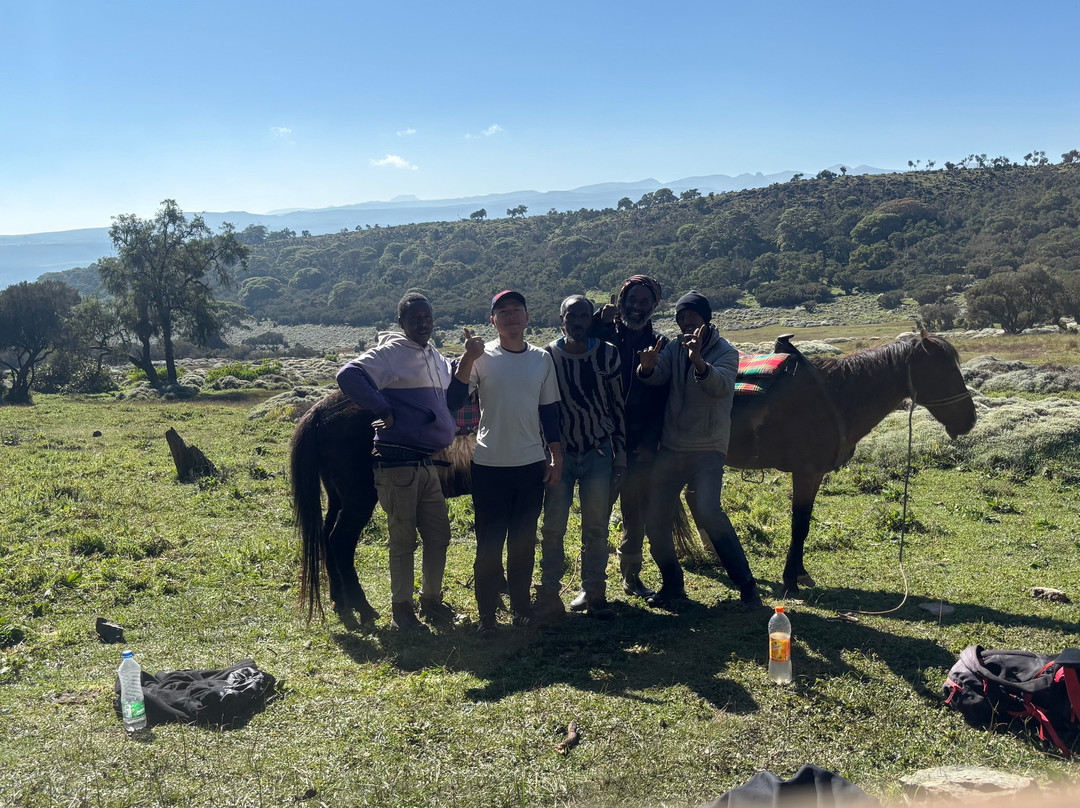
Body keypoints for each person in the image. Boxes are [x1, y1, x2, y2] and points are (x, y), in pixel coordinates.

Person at [336, 292, 483, 630]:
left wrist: (469, 359)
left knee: (439, 535)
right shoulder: (390, 353)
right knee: (403, 540)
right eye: (415, 317)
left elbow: (455, 398)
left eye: (427, 317)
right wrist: (383, 408)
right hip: (397, 462)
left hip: (427, 463)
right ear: (401, 322)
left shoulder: (432, 355)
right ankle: (402, 611)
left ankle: (431, 602)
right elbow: (348, 375)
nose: (423, 322)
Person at [636, 290, 764, 611]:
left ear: (706, 318)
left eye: (692, 315)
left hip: (708, 447)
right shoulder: (673, 348)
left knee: (708, 510)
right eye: (681, 316)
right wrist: (648, 369)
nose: (686, 320)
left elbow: (720, 386)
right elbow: (658, 376)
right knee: (655, 519)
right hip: (673, 445)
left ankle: (747, 585)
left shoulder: (726, 351)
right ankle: (673, 584)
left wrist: (698, 361)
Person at [460, 290, 562, 638]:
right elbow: (453, 400)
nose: (510, 317)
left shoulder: (541, 359)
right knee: (488, 543)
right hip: (488, 465)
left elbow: (550, 411)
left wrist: (556, 456)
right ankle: (487, 616)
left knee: (522, 541)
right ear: (493, 320)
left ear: (527, 316)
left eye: (516, 310)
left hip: (531, 464)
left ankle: (520, 608)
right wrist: (465, 361)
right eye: (502, 312)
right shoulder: (481, 356)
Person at [536, 295, 626, 620]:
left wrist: (621, 455)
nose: (577, 321)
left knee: (597, 528)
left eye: (583, 315)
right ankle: (549, 592)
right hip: (561, 454)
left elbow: (617, 407)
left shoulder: (607, 354)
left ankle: (595, 593)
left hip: (599, 451)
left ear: (592, 319)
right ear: (561, 319)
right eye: (571, 315)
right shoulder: (547, 356)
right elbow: (542, 410)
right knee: (553, 527)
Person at [589, 275, 669, 600]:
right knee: (597, 515)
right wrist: (598, 320)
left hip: (639, 445)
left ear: (654, 306)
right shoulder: (603, 335)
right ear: (621, 302)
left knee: (635, 518)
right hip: (602, 442)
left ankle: (631, 579)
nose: (637, 307)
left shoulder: (661, 345)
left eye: (644, 302)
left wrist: (651, 443)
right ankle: (592, 583)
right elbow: (574, 343)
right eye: (632, 300)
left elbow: (663, 399)